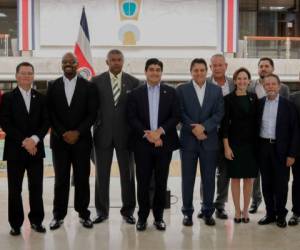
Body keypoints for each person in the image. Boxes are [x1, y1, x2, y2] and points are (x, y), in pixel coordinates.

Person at [127, 58, 180, 231]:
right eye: (151, 69)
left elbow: (175, 116)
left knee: (161, 181)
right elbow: (131, 118)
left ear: (161, 72)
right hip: (142, 144)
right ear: (145, 72)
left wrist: (159, 132)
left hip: (164, 143)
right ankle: (142, 217)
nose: (155, 72)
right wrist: (148, 134)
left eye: (158, 69)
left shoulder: (171, 92)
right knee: (142, 182)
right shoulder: (135, 93)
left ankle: (158, 217)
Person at [47, 52, 98, 230]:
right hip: (59, 142)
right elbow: (50, 114)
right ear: (61, 65)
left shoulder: (89, 87)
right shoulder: (52, 85)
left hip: (82, 141)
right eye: (65, 62)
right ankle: (58, 215)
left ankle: (84, 214)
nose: (68, 64)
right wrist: (63, 133)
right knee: (61, 180)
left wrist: (77, 132)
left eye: (71, 61)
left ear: (77, 64)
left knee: (82, 179)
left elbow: (92, 114)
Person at [0, 62, 49, 235]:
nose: (27, 76)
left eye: (30, 73)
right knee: (15, 189)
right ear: (17, 76)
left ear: (33, 76)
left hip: (36, 150)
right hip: (15, 151)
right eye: (23, 73)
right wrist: (25, 141)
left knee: (36, 188)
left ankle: (36, 221)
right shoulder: (7, 98)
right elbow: (5, 122)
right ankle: (15, 224)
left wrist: (34, 140)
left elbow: (46, 122)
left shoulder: (41, 98)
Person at [92, 49, 139, 224]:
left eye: (119, 59)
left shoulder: (134, 82)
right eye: (113, 60)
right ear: (107, 62)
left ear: (123, 61)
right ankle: (101, 211)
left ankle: (128, 211)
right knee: (101, 175)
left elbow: (136, 111)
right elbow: (92, 108)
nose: (116, 62)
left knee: (127, 175)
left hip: (126, 137)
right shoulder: (96, 81)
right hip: (102, 135)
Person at [177, 58, 224, 226]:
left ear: (207, 71)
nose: (199, 73)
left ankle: (207, 211)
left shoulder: (216, 90)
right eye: (196, 70)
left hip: (209, 140)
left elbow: (219, 113)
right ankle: (187, 212)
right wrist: (194, 129)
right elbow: (180, 112)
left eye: (202, 70)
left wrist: (204, 127)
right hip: (188, 141)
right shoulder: (181, 89)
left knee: (209, 178)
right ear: (191, 72)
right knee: (187, 178)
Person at [248, 57, 290, 214]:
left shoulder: (284, 90)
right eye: (261, 66)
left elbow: (287, 118)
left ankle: (280, 211)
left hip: (279, 142)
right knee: (260, 177)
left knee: (279, 180)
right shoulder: (251, 87)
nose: (263, 68)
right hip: (261, 142)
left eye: (266, 66)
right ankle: (258, 202)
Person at [257, 74, 298, 228]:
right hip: (263, 148)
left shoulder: (288, 105)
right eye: (267, 84)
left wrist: (292, 154)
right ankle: (270, 214)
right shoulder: (259, 104)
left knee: (281, 184)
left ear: (279, 86)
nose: (271, 87)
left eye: (273, 84)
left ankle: (281, 214)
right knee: (266, 183)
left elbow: (295, 131)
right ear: (263, 86)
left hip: (281, 149)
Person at [198, 54, 235, 220]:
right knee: (207, 172)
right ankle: (205, 204)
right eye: (215, 65)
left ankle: (220, 205)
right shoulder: (202, 84)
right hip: (208, 134)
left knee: (224, 173)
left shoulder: (235, 84)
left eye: (221, 65)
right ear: (210, 68)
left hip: (229, 136)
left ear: (226, 66)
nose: (218, 68)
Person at [221, 67, 258, 223]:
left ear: (249, 81)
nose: (242, 81)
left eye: (245, 78)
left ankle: (246, 211)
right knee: (235, 179)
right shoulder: (228, 99)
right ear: (235, 81)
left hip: (251, 146)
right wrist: (226, 147)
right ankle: (237, 211)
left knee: (249, 179)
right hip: (234, 144)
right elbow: (224, 126)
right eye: (239, 78)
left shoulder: (254, 97)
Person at [287, 91, 300, 226]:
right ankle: (297, 212)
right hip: (298, 149)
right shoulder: (293, 98)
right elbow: (291, 126)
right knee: (298, 181)